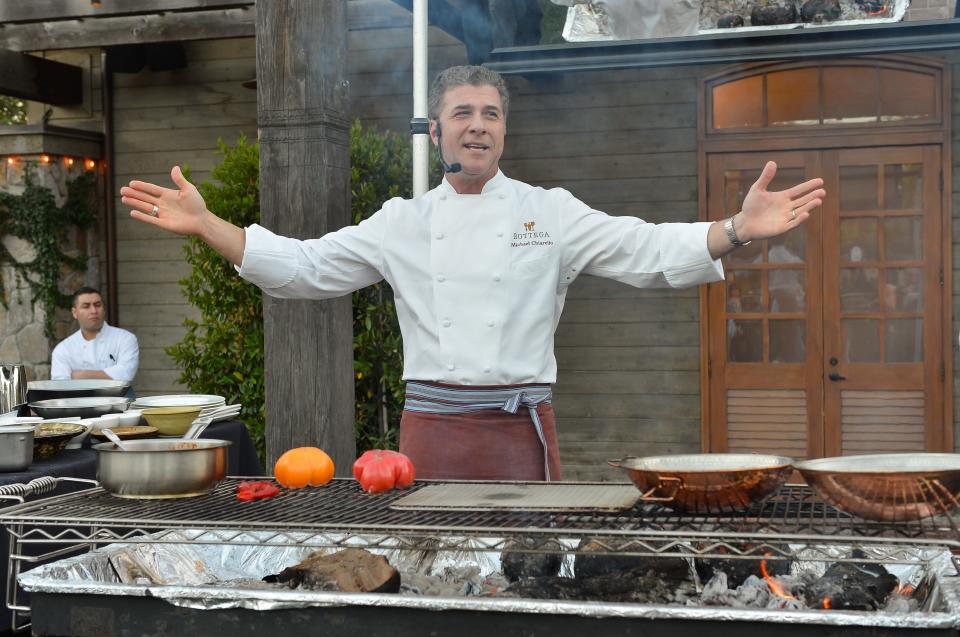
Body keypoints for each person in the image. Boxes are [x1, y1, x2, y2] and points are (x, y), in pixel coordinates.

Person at [119, 65, 825, 481]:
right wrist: (211, 225)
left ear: (504, 132)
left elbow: (643, 249)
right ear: (436, 131)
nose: (478, 124)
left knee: (526, 572)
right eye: (463, 113)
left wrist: (734, 230)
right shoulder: (402, 221)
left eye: (491, 114)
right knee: (433, 570)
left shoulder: (550, 211)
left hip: (524, 430)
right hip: (430, 430)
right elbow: (305, 266)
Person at [50, 287, 140, 384]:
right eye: (86, 306)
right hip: (77, 399)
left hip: (119, 398)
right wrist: (109, 375)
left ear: (103, 309)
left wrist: (80, 375)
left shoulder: (125, 339)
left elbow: (126, 374)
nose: (93, 311)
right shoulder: (63, 349)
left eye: (97, 305)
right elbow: (60, 385)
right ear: (75, 313)